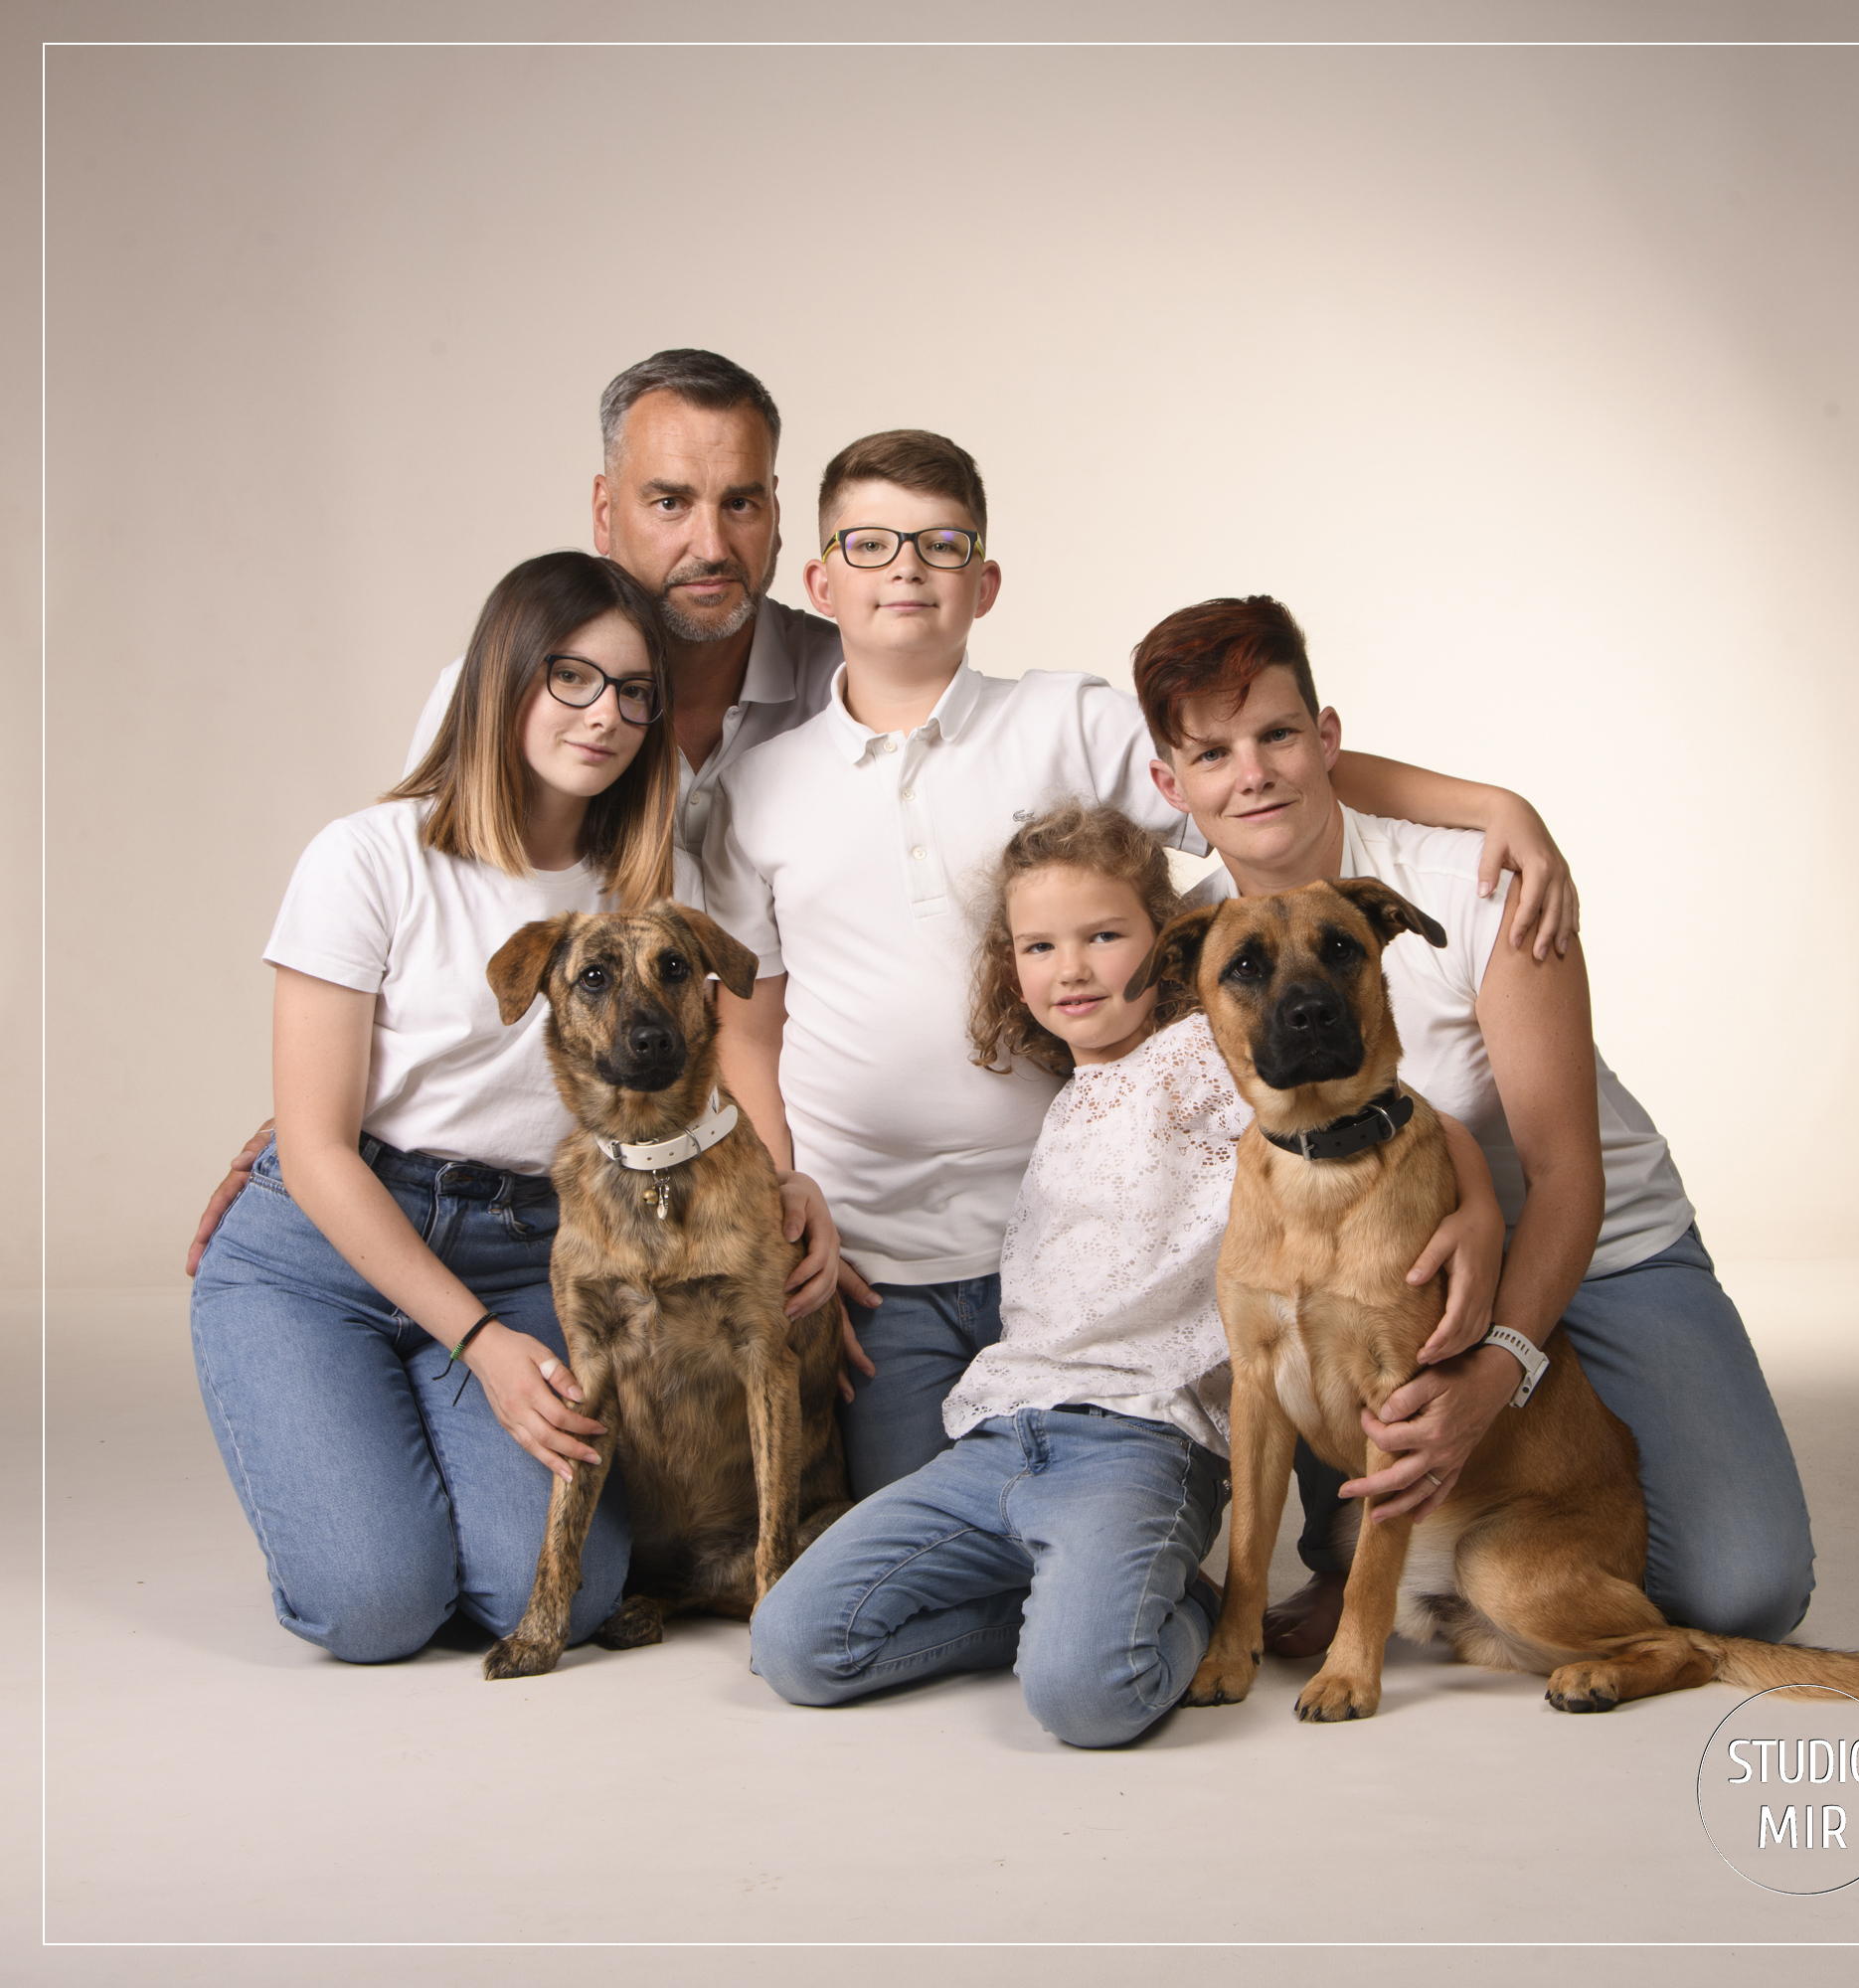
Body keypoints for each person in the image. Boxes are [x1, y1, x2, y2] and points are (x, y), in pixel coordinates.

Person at [704, 429, 1577, 1500]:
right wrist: (781, 1198)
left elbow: (1249, 769)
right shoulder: (754, 791)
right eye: (870, 543)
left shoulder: (1063, 720)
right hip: (875, 1251)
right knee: (933, 1538)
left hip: (1089, 1231)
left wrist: (1492, 805)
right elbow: (749, 1028)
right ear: (818, 575)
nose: (905, 568)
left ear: (984, 580)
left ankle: (1225, 1553)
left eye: (939, 543)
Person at [1134, 594, 1814, 1649]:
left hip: (1598, 1244)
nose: (1252, 773)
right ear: (1171, 790)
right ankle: (1368, 1557)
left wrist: (1494, 1370)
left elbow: (1564, 1175)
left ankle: (1467, 1544)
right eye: (1213, 754)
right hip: (1392, 1250)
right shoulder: (1210, 936)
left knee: (1741, 1592)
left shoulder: (1473, 883)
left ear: (1326, 739)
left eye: (1277, 734)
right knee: (1321, 1290)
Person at [189, 552, 827, 1662]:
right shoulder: (369, 856)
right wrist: (478, 1346)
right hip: (326, 1251)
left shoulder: (644, 882)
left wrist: (785, 1173)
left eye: (635, 692)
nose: (607, 715)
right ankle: (351, 1465)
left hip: (523, 1242)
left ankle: (404, 1467)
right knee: (379, 1605)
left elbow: (732, 1045)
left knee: (578, 1600)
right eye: (571, 678)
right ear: (502, 679)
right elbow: (316, 1144)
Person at [751, 804, 1502, 1746]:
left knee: (1088, 1699)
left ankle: (1159, 1608)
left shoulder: (1205, 1060)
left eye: (1105, 938)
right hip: (1004, 1432)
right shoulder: (1056, 1096)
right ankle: (1082, 1601)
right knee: (793, 1646)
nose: (1072, 968)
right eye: (1039, 947)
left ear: (1166, 956)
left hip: (1142, 1438)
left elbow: (1380, 1112)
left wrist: (1475, 1203)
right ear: (1009, 966)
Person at [184, 347, 844, 1272]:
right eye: (669, 501)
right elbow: (433, 921)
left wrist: (783, 1187)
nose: (711, 543)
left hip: (788, 1155)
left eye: (741, 501)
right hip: (566, 1173)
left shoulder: (848, 696)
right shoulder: (498, 692)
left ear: (776, 510)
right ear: (605, 513)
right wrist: (319, 1134)